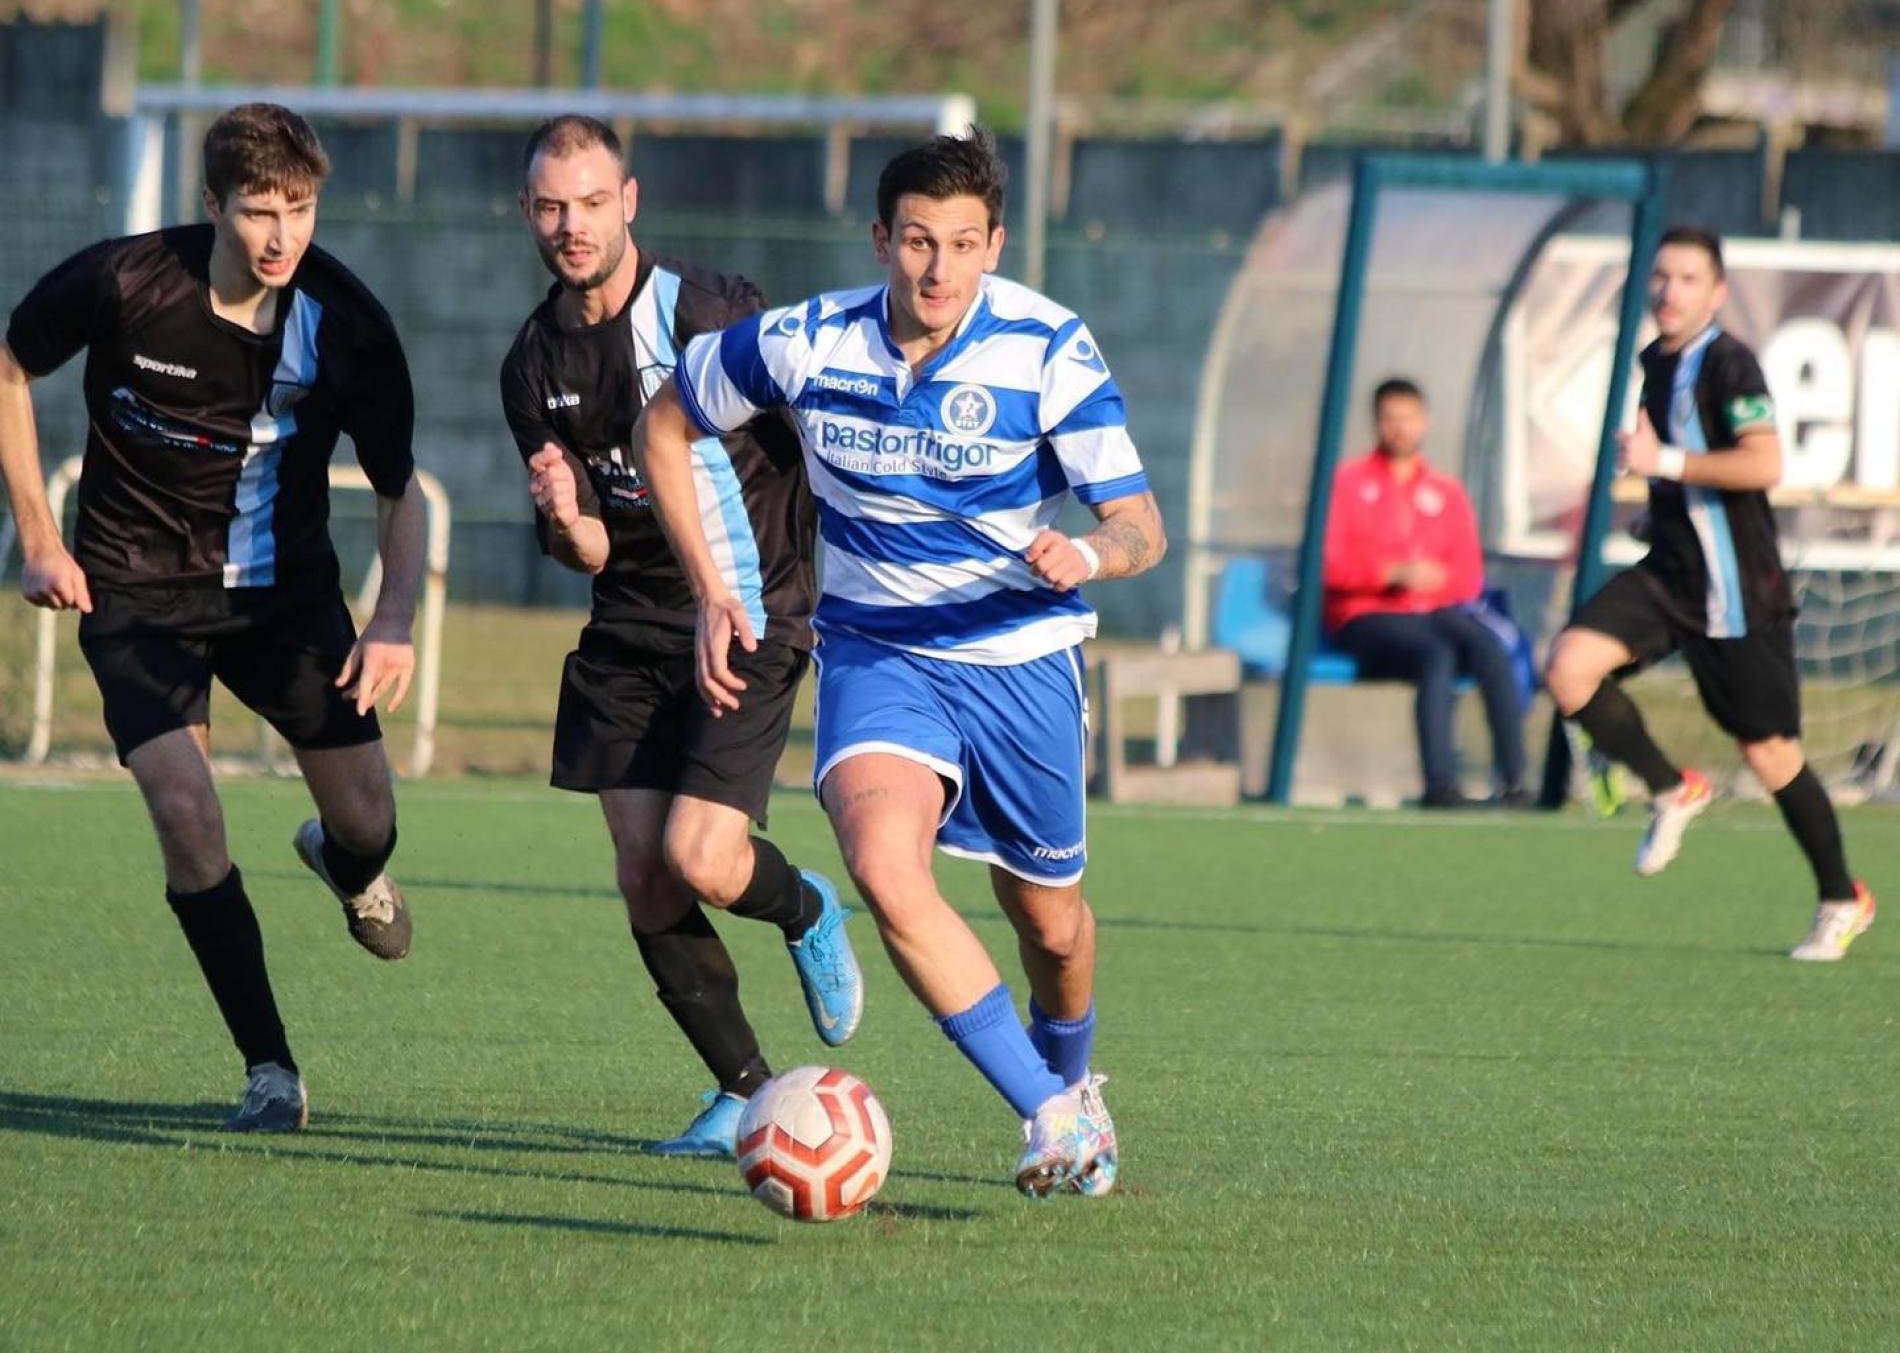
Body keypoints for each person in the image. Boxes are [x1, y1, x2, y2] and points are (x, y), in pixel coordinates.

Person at [631, 128, 1166, 1199]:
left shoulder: (1048, 347)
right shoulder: (804, 340)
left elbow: (1142, 524)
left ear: (995, 245)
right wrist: (709, 587)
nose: (938, 269)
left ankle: (1073, 1080)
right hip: (879, 651)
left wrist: (1091, 552)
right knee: (883, 866)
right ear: (881, 239)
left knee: (1051, 925)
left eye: (964, 244)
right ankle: (1048, 1113)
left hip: (1021, 655)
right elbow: (666, 420)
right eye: (918, 241)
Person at [0, 103, 423, 1131]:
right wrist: (39, 536)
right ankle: (270, 1067)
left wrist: (395, 614)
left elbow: (400, 482)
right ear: (212, 205)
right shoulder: (128, 280)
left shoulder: (347, 322)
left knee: (369, 819)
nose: (281, 236)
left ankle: (345, 861)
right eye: (258, 211)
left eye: (302, 210)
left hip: (283, 597)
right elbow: (10, 366)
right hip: (134, 591)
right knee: (187, 816)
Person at [499, 115, 863, 1158]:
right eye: (551, 207)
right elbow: (590, 553)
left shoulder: (707, 309)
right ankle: (741, 1089)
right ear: (529, 213)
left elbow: (808, 435)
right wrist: (567, 520)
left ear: (631, 202)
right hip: (625, 631)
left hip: (747, 608)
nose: (571, 225)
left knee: (703, 857)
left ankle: (802, 909)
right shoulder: (530, 364)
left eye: (591, 202)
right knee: (645, 873)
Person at [1545, 224, 1874, 962]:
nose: (1669, 290)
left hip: (1737, 590)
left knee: (1770, 754)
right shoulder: (1654, 364)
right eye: (1662, 276)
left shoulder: (1729, 363)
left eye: (1688, 279)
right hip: (1669, 574)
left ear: (1717, 291)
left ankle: (1841, 899)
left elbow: (1762, 465)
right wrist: (1657, 498)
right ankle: (1670, 787)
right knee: (1569, 667)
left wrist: (1666, 459)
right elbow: (1685, 477)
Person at [1322, 378, 1528, 807]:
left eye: (1409, 418)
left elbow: (1468, 575)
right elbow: (1329, 565)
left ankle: (1514, 782)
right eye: (1391, 419)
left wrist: (1434, 579)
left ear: (1424, 422)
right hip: (1367, 616)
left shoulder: (1446, 492)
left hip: (1435, 612)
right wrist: (1391, 573)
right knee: (1437, 654)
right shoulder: (1347, 483)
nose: (1400, 428)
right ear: (1377, 423)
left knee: (1488, 647)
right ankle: (1440, 787)